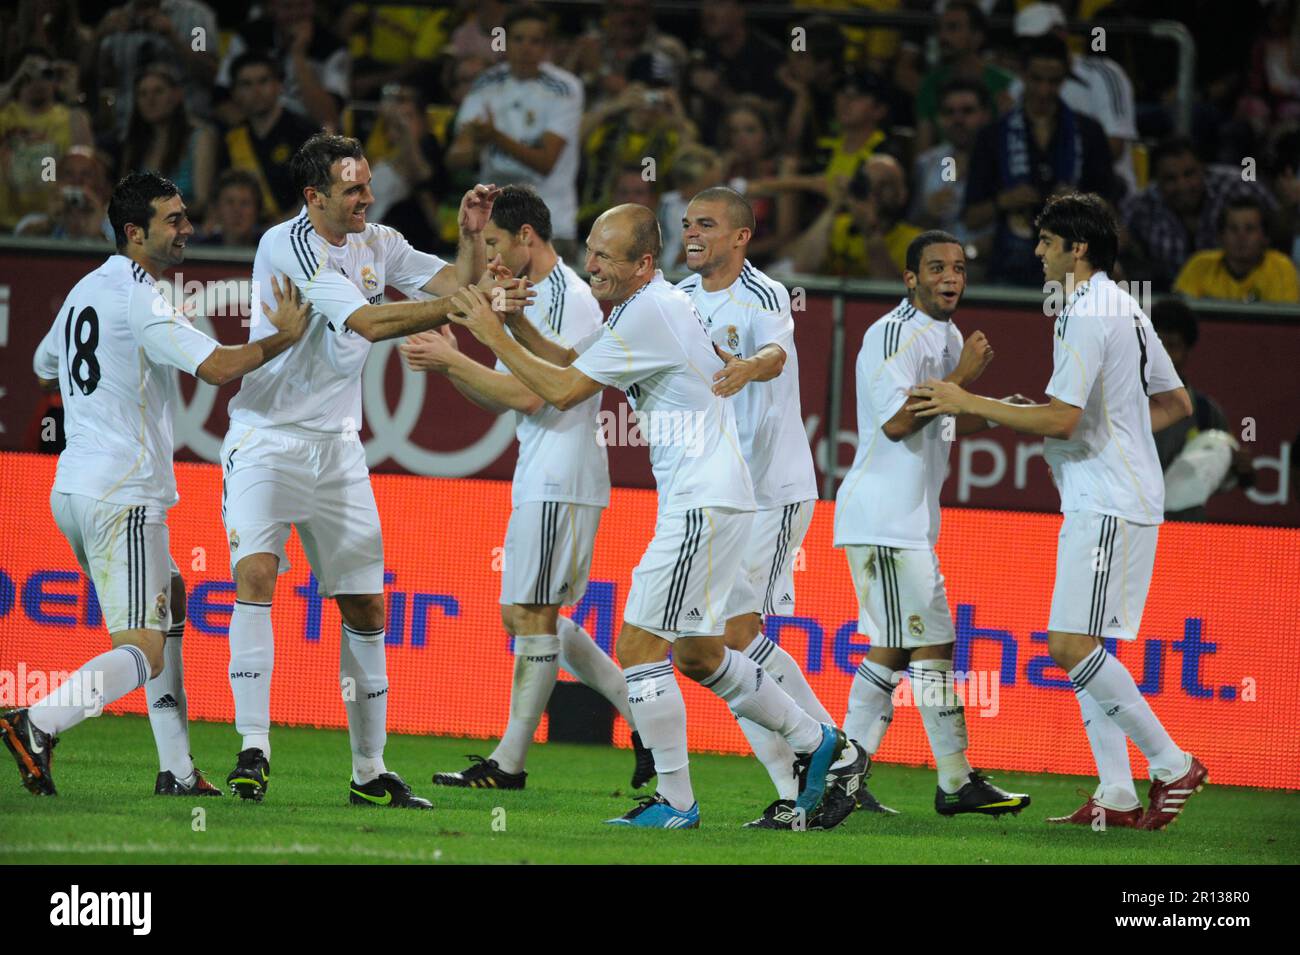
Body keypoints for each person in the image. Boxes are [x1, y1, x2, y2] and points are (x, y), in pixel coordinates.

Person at [446, 203, 852, 829]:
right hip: (712, 497)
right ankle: (817, 742)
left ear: (642, 263)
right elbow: (567, 361)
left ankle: (678, 802)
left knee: (639, 646)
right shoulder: (648, 306)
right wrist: (515, 321)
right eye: (590, 250)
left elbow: (560, 391)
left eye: (606, 256)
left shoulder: (650, 313)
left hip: (703, 501)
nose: (592, 264)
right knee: (698, 654)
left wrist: (491, 334)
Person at [218, 133, 530, 808]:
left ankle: (369, 771)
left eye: (367, 184)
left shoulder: (378, 241)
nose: (368, 196)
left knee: (365, 603)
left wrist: (472, 241)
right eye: (353, 188)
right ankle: (252, 747)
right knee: (256, 575)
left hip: (337, 446)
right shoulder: (290, 245)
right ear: (315, 197)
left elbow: (457, 285)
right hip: (267, 437)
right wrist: (464, 305)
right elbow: (365, 320)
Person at [2, 171, 310, 797]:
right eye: (173, 220)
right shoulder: (143, 297)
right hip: (126, 494)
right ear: (134, 233)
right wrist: (286, 336)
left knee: (169, 593)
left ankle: (176, 769)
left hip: (73, 490)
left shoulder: (85, 288)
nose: (187, 229)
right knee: (145, 646)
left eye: (185, 216)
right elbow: (219, 366)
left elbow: (43, 366)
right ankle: (39, 720)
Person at [907, 193, 1207, 831]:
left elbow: (1063, 417)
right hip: (1115, 496)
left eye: (1045, 242)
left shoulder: (1083, 313)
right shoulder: (1126, 306)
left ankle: (1172, 763)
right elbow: (1176, 403)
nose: (1036, 252)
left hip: (1107, 502)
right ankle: (1118, 795)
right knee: (1086, 645)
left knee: (1070, 644)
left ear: (1078, 248)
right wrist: (1101, 435)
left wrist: (972, 401)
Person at [401, 185, 652, 791]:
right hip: (542, 470)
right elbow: (499, 392)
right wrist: (456, 361)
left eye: (493, 243)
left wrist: (454, 360)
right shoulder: (524, 294)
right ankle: (640, 713)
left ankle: (508, 764)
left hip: (564, 475)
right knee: (521, 614)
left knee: (535, 613)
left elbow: (533, 393)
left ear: (526, 238)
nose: (488, 257)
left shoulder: (567, 296)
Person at [677, 186, 869, 829]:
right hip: (715, 493)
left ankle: (814, 769)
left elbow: (775, 353)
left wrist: (745, 369)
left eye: (706, 224)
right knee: (727, 642)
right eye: (686, 224)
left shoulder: (763, 296)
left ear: (740, 236)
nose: (692, 233)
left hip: (771, 491)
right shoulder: (677, 298)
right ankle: (822, 766)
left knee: (727, 639)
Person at [834, 229, 1031, 819]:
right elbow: (897, 423)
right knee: (933, 641)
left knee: (893, 648)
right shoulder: (893, 334)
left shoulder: (942, 336)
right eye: (937, 267)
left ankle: (845, 775)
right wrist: (965, 379)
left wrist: (995, 416)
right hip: (883, 518)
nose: (951, 277)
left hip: (905, 521)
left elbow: (938, 423)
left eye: (960, 268)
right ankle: (954, 780)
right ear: (910, 278)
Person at [963, 34, 1116, 287]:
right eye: (1037, 79)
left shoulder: (1090, 132)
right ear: (1022, 74)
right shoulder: (992, 135)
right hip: (1010, 266)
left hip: (1075, 268)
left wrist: (1080, 202)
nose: (1044, 90)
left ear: (1065, 77)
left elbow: (1110, 211)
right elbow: (971, 217)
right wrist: (1005, 201)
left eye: (1053, 81)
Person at [447, 4, 584, 255]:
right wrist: (473, 144)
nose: (526, 48)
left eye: (535, 41)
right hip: (494, 225)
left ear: (546, 47)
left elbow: (546, 161)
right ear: (504, 42)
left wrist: (493, 136)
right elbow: (457, 157)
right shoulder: (486, 84)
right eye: (518, 39)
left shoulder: (565, 88)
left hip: (551, 223)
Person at [1121, 137, 1280, 292]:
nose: (1182, 185)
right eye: (1171, 179)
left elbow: (1280, 225)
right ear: (1156, 181)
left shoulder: (1238, 186)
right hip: (1168, 300)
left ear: (1203, 168)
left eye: (1189, 174)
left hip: (1239, 293)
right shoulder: (1140, 206)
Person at [1150, 299, 1255, 521]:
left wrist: (1242, 468)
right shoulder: (1121, 403)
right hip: (1128, 526)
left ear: (1187, 351)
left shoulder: (1206, 412)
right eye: (1157, 345)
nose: (1164, 356)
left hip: (1186, 529)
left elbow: (1235, 476)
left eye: (1173, 346)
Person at [221, 50, 322, 224]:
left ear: (279, 85)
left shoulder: (307, 134)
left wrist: (278, 228)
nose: (256, 91)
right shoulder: (232, 138)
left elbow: (319, 196)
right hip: (245, 236)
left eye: (263, 81)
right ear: (235, 92)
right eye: (246, 84)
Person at [914, 1, 1018, 154]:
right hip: (947, 165)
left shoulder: (1007, 84)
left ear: (977, 36)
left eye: (953, 28)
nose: (943, 36)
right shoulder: (930, 83)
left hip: (991, 165)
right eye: (940, 29)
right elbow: (924, 149)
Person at [117, 61, 217, 220]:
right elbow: (124, 197)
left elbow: (202, 202)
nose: (150, 100)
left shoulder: (199, 137)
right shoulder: (134, 143)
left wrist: (158, 214)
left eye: (158, 92)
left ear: (177, 95)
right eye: (143, 94)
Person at [1173, 195, 1300, 303]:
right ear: (1220, 236)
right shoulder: (1199, 265)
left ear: (1265, 237)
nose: (1241, 237)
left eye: (1249, 229)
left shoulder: (1281, 268)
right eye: (1233, 229)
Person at [194, 169, 263, 247]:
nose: (237, 211)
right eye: (230, 202)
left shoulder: (270, 248)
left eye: (245, 203)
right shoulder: (202, 249)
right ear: (217, 209)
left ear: (257, 210)